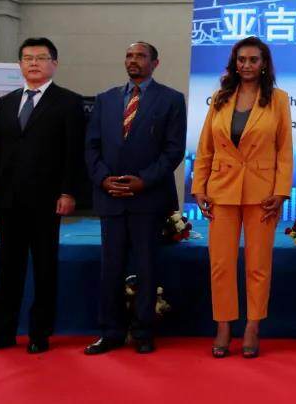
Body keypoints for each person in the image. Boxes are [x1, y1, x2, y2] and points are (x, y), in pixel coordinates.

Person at [0, 37, 85, 355]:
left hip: (48, 200)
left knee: (45, 268)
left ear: (54, 64)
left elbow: (73, 153)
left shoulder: (68, 102)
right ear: (20, 64)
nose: (33, 63)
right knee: (8, 268)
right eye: (27, 58)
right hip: (9, 199)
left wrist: (68, 191)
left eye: (41, 57)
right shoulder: (6, 102)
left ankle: (39, 333)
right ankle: (2, 332)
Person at [191, 36, 292, 358]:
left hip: (262, 193)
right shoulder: (220, 98)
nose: (246, 65)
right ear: (234, 64)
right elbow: (206, 147)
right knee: (220, 264)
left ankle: (252, 325)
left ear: (264, 64)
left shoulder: (278, 99)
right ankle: (223, 325)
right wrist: (199, 187)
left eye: (253, 60)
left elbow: (284, 150)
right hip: (222, 190)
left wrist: (280, 192)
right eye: (241, 59)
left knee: (258, 265)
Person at [83, 42, 187, 355]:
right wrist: (103, 179)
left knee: (146, 267)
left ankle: (143, 332)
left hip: (148, 199)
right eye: (129, 55)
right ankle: (110, 332)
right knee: (110, 268)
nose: (133, 60)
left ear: (155, 63)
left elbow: (173, 150)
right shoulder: (105, 99)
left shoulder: (171, 99)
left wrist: (144, 181)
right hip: (111, 197)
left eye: (140, 56)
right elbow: (91, 146)